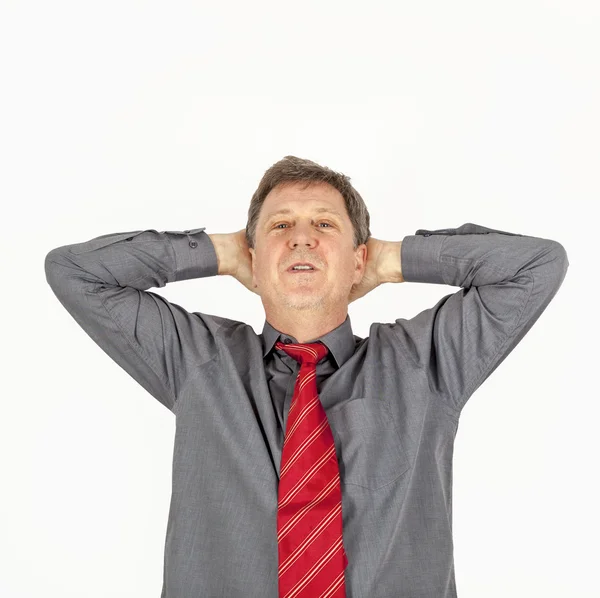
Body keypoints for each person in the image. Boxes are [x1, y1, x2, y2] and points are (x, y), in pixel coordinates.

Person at [44, 155, 569, 598]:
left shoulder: (426, 361)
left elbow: (537, 265)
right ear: (253, 257)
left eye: (324, 225)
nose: (301, 239)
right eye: (280, 226)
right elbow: (75, 272)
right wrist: (223, 251)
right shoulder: (198, 361)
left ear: (357, 259)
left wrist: (390, 260)